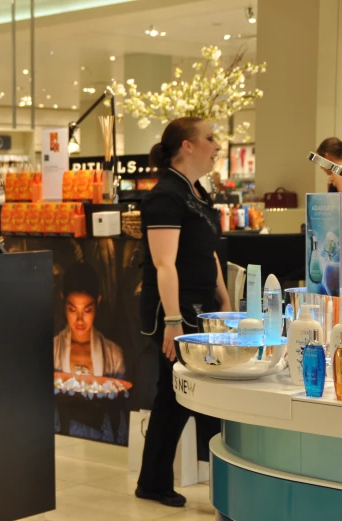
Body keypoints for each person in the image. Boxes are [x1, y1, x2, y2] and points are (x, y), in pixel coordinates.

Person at [136, 117, 231, 507]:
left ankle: (155, 480)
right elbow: (163, 264)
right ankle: (153, 482)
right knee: (172, 397)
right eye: (210, 138)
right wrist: (173, 322)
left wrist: (224, 299)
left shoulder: (196, 192)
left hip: (202, 308)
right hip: (176, 312)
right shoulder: (166, 196)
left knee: (179, 398)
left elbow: (209, 252)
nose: (217, 146)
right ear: (187, 146)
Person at [53, 263, 125, 379]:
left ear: (98, 301)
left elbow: (120, 395)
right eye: (72, 310)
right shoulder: (51, 351)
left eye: (87, 310)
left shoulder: (114, 355)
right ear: (63, 301)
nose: (80, 319)